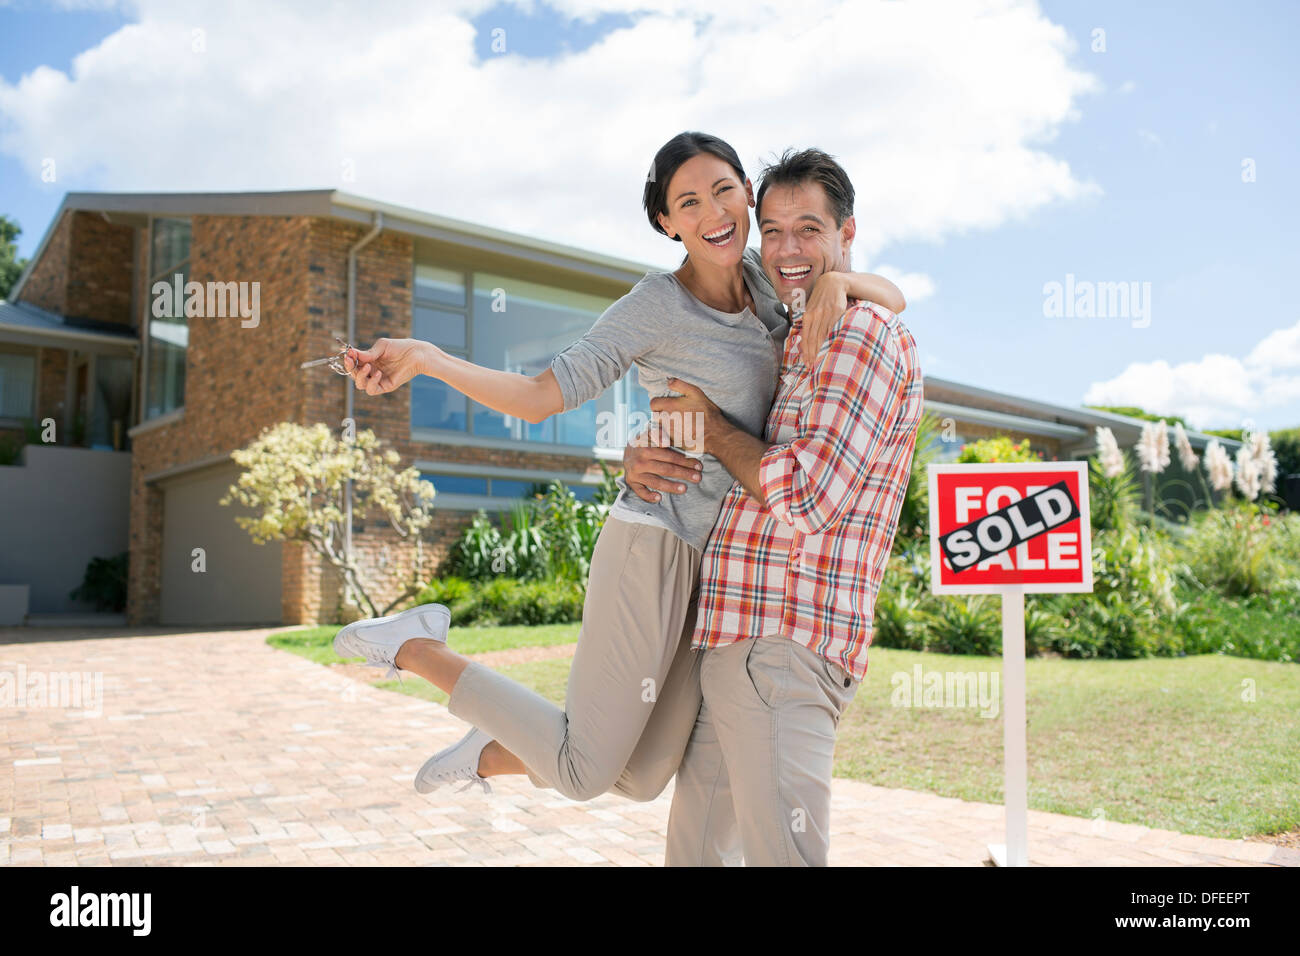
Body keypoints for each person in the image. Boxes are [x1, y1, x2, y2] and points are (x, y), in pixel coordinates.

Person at [331, 132, 906, 807]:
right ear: (666, 222)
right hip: (657, 541)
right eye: (687, 202)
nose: (712, 212)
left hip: (720, 573)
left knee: (643, 772)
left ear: (747, 194)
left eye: (723, 190)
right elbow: (542, 395)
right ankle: (415, 647)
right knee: (585, 770)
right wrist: (429, 357)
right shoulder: (655, 306)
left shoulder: (768, 279)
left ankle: (488, 752)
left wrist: (842, 279)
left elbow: (891, 296)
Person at [623, 148, 923, 866]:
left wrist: (714, 426)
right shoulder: (793, 335)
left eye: (809, 230)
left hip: (782, 647)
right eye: (774, 229)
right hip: (740, 645)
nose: (788, 249)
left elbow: (806, 497)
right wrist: (650, 453)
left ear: (846, 233)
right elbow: (733, 467)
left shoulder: (860, 334)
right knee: (695, 857)